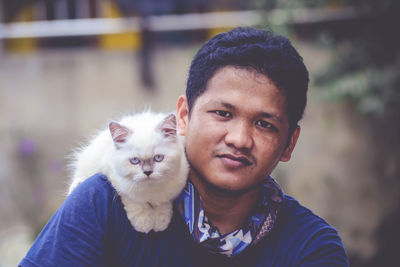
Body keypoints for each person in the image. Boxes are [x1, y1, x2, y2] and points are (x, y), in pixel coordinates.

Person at [19, 27, 349, 266]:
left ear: (289, 143)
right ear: (182, 117)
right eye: (223, 113)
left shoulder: (311, 248)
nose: (239, 139)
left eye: (265, 124)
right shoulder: (104, 204)